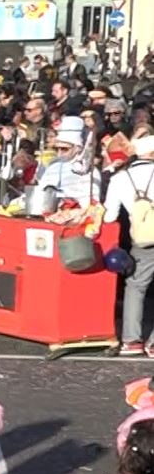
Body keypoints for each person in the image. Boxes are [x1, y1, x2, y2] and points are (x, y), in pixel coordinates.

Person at [103, 136, 154, 355]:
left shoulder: (120, 178)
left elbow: (109, 215)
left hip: (143, 238)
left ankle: (132, 340)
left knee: (135, 286)